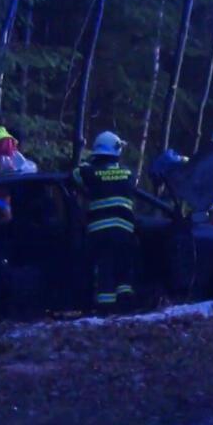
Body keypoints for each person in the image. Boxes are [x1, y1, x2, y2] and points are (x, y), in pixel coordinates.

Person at [72, 131, 139, 314]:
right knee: (124, 268)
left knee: (105, 268)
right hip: (125, 230)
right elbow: (132, 185)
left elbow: (76, 176)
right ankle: (126, 306)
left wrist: (88, 163)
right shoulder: (128, 173)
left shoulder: (89, 172)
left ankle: (105, 309)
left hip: (100, 230)